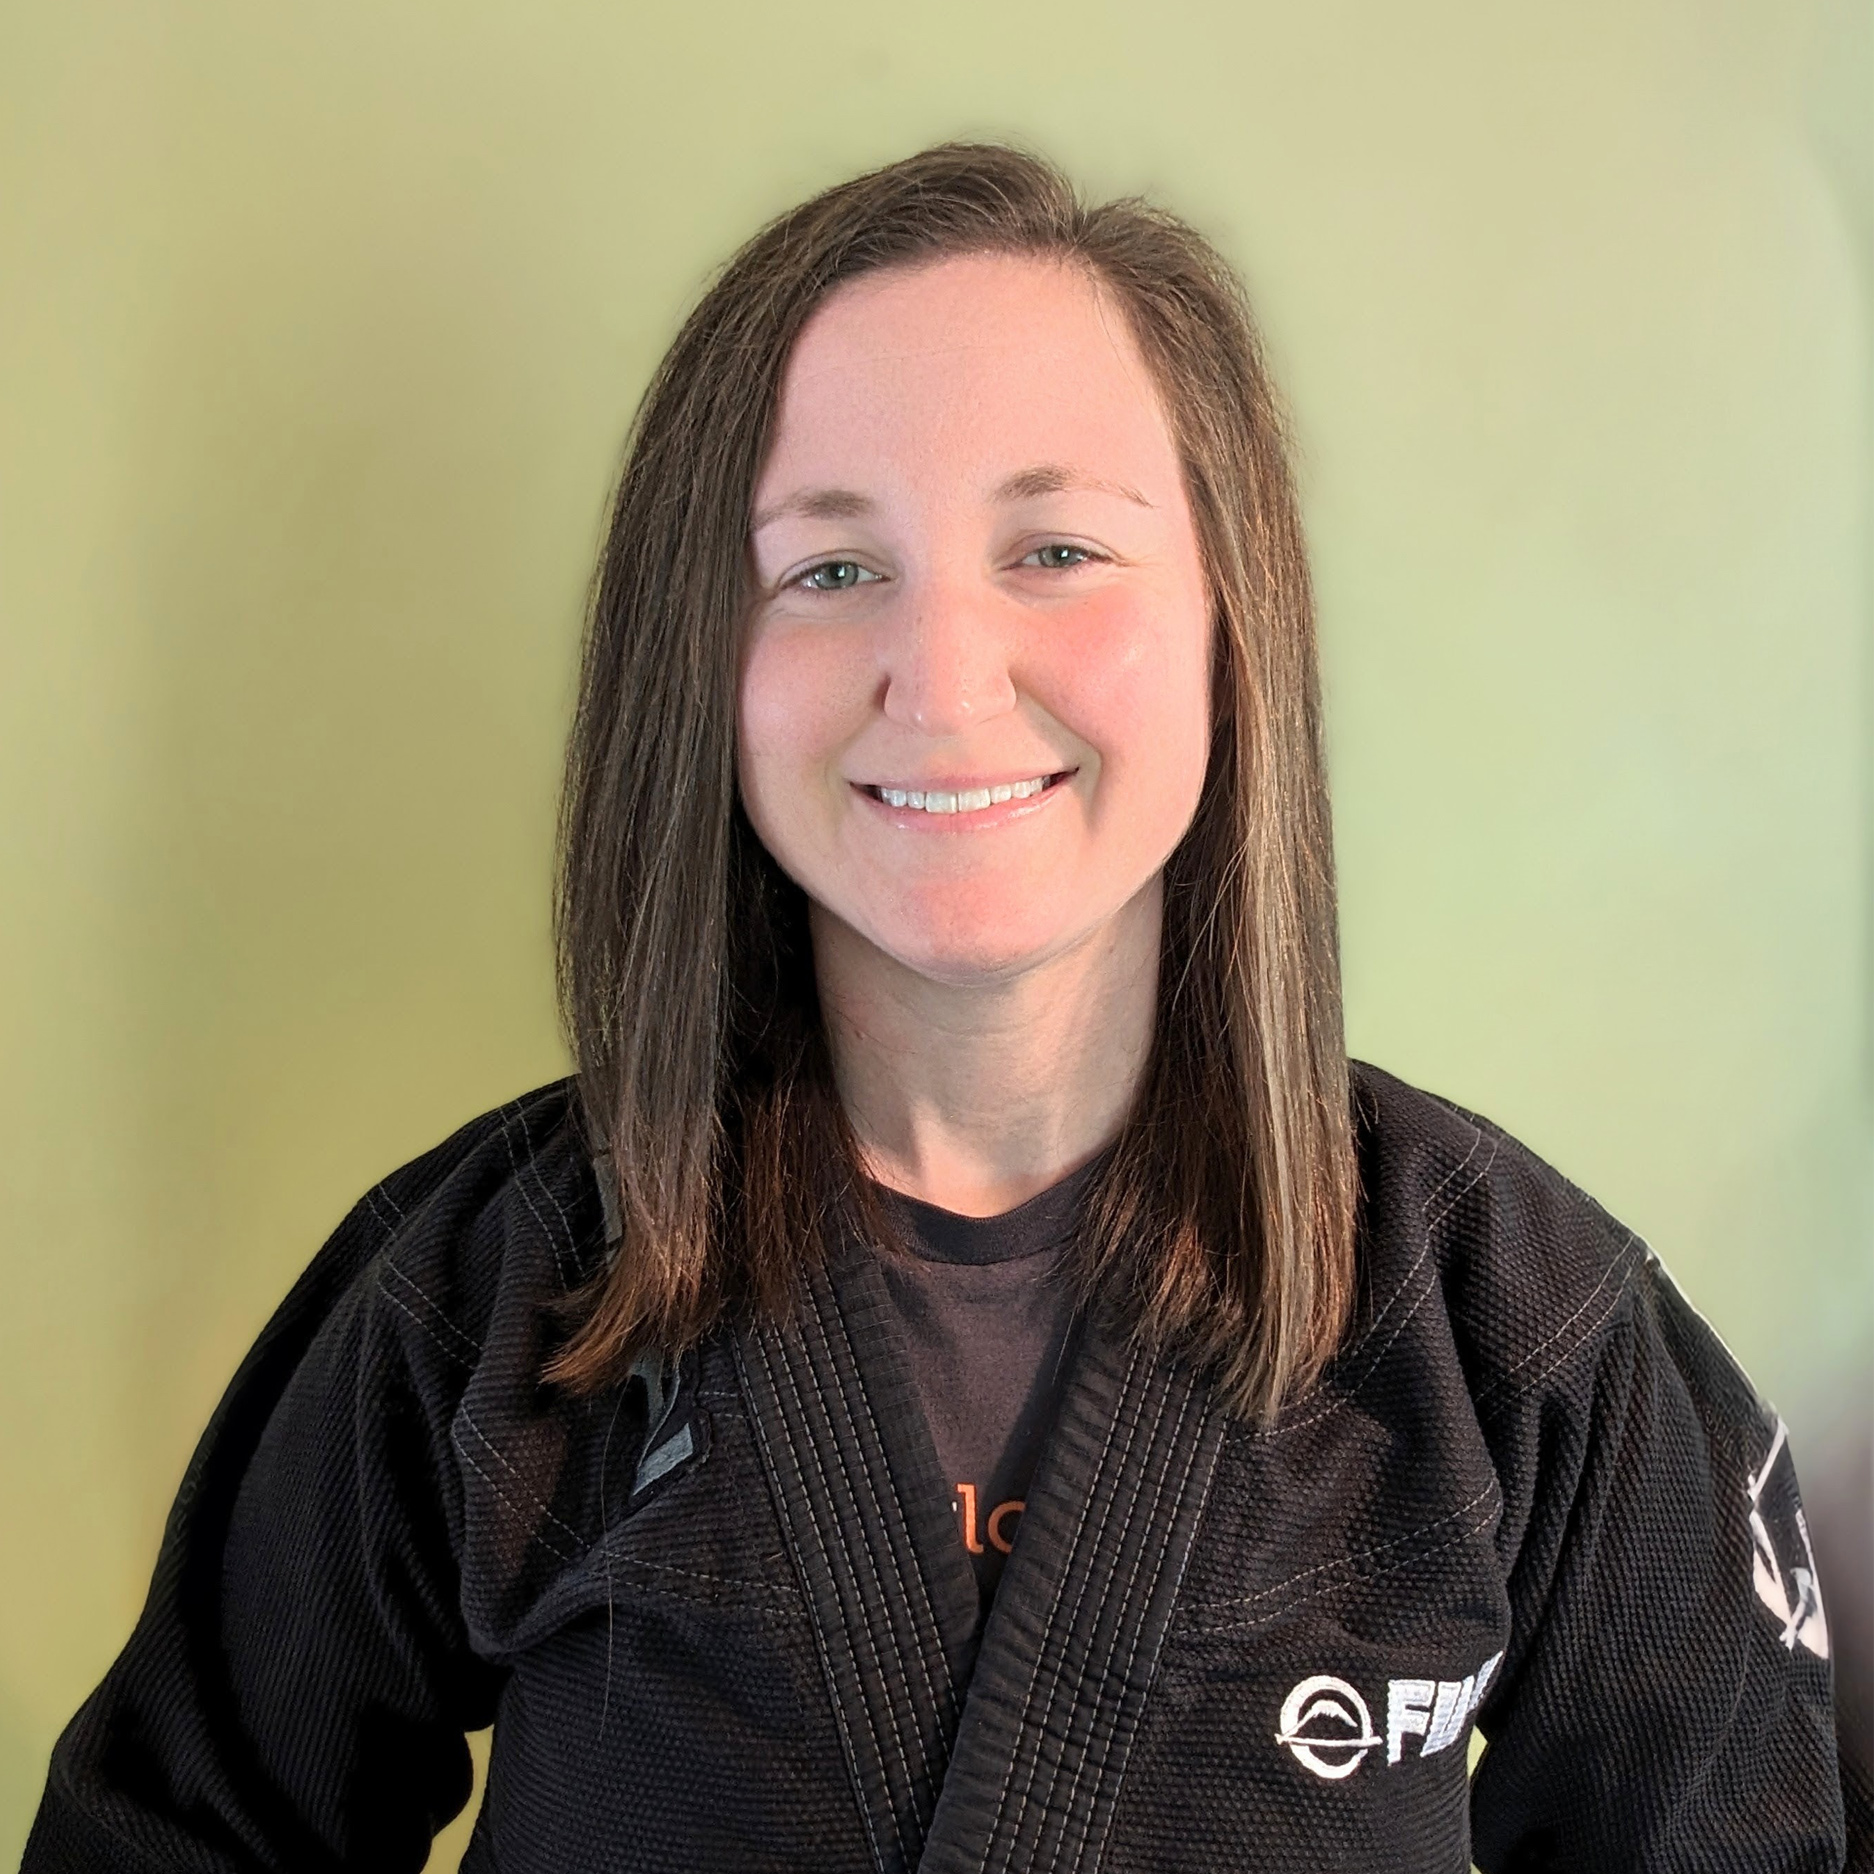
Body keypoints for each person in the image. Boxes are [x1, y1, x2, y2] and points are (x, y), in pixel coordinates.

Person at [24, 143, 1860, 1873]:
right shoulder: (497, 1292)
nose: (944, 670)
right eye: (829, 568)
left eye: (1055, 549)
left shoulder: (1509, 1332)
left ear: (1231, 620)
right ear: (705, 668)